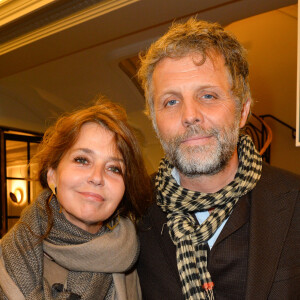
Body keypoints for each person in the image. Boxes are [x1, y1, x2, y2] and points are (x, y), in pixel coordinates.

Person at [136, 18, 300, 300]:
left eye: (208, 95)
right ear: (154, 121)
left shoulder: (295, 201)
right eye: (171, 101)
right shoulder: (132, 210)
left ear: (242, 111)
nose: (189, 116)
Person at [0, 98, 151, 300]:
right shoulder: (9, 258)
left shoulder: (130, 260)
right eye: (82, 160)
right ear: (52, 174)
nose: (97, 177)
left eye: (114, 168)